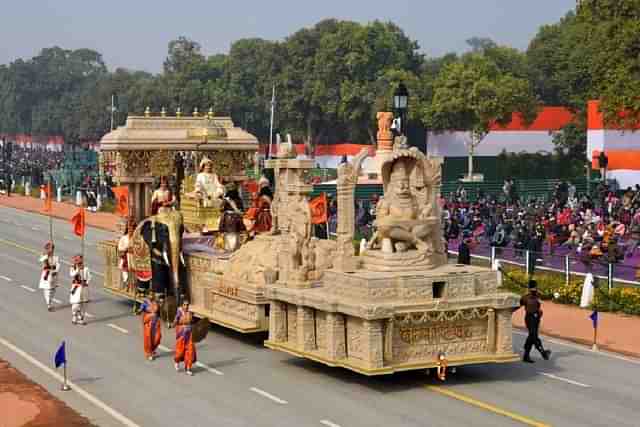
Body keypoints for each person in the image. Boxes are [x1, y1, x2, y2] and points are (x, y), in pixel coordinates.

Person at [519, 279, 551, 363]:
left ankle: (526, 356)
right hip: (529, 318)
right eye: (534, 287)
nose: (535, 289)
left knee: (532, 336)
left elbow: (546, 297)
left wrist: (545, 294)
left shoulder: (538, 295)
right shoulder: (525, 297)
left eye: (536, 287)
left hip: (536, 318)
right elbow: (518, 305)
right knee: (533, 336)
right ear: (530, 288)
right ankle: (543, 352)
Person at [173, 300, 196, 376]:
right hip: (181, 335)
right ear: (182, 305)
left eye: (187, 305)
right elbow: (175, 321)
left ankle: (188, 368)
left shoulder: (190, 313)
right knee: (180, 352)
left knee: (190, 351)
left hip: (189, 335)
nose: (186, 306)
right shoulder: (179, 312)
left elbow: (192, 322)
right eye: (185, 305)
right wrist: (173, 324)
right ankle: (176, 362)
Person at [69, 255, 91, 325]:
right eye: (77, 260)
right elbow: (72, 275)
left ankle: (81, 318)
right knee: (75, 304)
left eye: (80, 260)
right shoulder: (73, 268)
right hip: (76, 287)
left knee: (84, 304)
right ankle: (74, 315)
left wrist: (86, 282)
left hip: (84, 288)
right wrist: (78, 269)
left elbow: (89, 277)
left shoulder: (86, 268)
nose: (79, 261)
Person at [38, 241, 60, 312]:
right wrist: (47, 254)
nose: (52, 250)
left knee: (53, 289)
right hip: (47, 274)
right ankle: (48, 304)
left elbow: (58, 265)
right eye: (50, 248)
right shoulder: (44, 256)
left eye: (52, 248)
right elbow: (40, 260)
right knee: (47, 289)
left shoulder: (55, 257)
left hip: (53, 274)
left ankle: (49, 301)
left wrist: (56, 271)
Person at [141, 293, 162, 361]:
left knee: (158, 337)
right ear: (147, 295)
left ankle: (152, 349)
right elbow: (141, 309)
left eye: (152, 295)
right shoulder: (145, 303)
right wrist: (139, 310)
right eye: (149, 295)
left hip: (156, 322)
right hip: (148, 323)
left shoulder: (156, 302)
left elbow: (159, 312)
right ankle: (149, 353)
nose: (151, 296)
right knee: (149, 338)